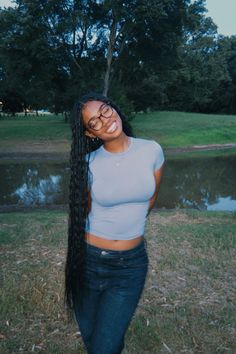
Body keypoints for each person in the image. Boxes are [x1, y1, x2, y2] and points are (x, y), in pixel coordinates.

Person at [64, 93, 164, 354]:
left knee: (103, 347)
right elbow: (82, 211)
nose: (105, 120)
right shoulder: (88, 164)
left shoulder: (151, 150)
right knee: (93, 337)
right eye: (94, 122)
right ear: (89, 134)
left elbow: (150, 199)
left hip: (130, 267)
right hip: (89, 260)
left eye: (105, 110)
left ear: (114, 108)